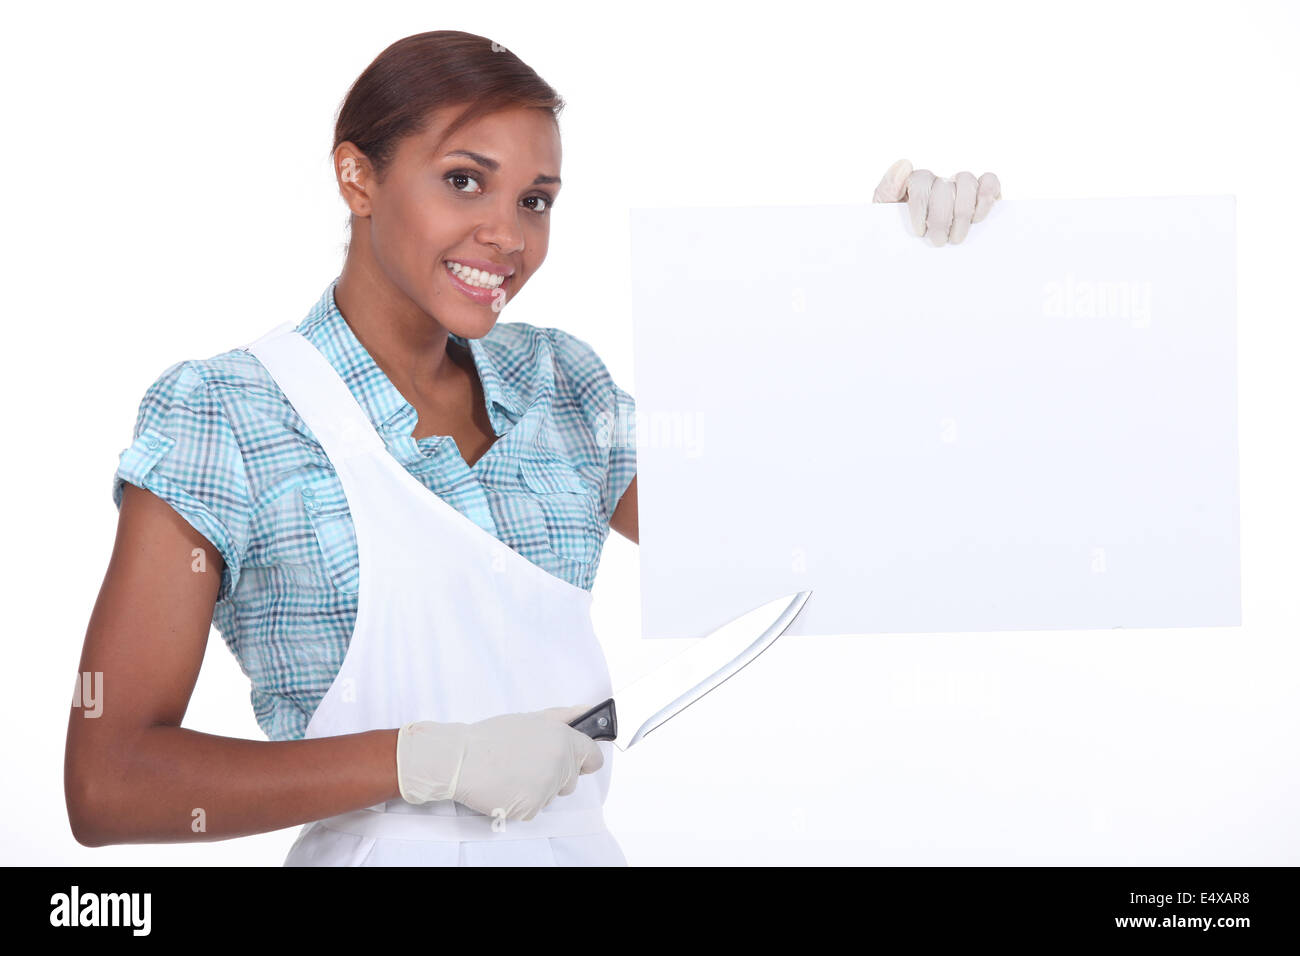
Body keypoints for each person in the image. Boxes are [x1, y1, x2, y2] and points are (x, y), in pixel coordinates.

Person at [65, 29, 999, 867]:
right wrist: (425, 760)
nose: (507, 236)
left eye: (537, 199)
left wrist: (890, 286)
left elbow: (789, 534)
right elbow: (108, 784)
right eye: (463, 180)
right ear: (357, 177)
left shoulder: (561, 386)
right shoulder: (227, 414)